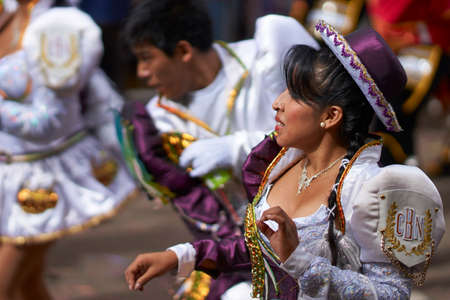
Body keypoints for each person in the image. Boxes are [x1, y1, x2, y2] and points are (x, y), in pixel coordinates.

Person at [124, 20, 446, 299]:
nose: (277, 103)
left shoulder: (374, 189)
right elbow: (259, 247)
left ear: (331, 116)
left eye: (294, 93)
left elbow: (391, 295)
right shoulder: (280, 164)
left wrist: (299, 261)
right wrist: (181, 256)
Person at [119, 0, 318, 298]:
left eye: (147, 58)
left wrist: (237, 147)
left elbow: (320, 132)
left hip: (312, 230)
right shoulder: (156, 121)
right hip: (238, 248)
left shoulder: (266, 57)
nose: (143, 73)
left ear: (184, 51)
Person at [0, 1, 137, 299]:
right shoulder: (5, 13)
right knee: (28, 284)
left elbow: (51, 122)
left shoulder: (59, 28)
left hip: (44, 175)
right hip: (6, 175)